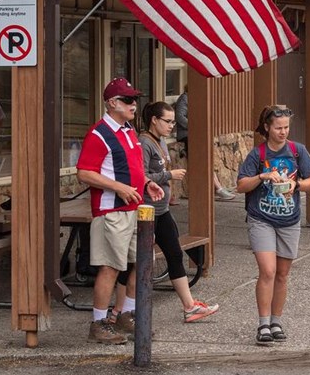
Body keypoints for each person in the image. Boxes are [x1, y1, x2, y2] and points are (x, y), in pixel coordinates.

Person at [76, 77, 158, 344]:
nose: (134, 104)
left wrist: (146, 182)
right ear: (112, 103)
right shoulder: (99, 133)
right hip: (112, 211)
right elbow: (85, 173)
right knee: (110, 267)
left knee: (141, 261)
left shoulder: (127, 130)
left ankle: (127, 313)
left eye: (134, 99)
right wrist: (119, 188)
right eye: (127, 100)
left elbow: (133, 168)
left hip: (133, 207)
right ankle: (99, 323)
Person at [236, 103, 310, 345]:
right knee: (268, 271)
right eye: (278, 128)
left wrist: (296, 185)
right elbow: (241, 185)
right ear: (267, 128)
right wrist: (262, 176)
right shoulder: (258, 155)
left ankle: (276, 321)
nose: (283, 132)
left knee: (282, 274)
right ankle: (262, 324)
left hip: (289, 220)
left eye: (286, 127)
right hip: (261, 218)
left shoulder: (297, 151)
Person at [138, 100, 220, 322]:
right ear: (154, 120)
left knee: (174, 254)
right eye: (167, 121)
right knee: (136, 263)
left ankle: (189, 306)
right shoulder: (144, 143)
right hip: (147, 211)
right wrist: (169, 176)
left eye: (173, 121)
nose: (171, 126)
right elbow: (139, 176)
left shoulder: (160, 141)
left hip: (162, 209)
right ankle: (124, 310)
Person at [176, 90, 236, 201]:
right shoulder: (185, 98)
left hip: (197, 134)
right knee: (203, 159)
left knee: (207, 158)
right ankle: (217, 188)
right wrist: (195, 126)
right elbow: (180, 117)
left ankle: (218, 187)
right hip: (187, 134)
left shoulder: (200, 99)